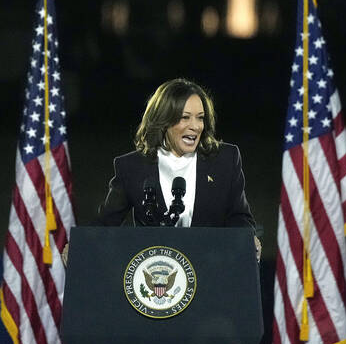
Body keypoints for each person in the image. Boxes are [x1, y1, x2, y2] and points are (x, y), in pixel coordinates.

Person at [97, 78, 256, 233]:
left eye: (200, 118)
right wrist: (76, 245)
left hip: (212, 259)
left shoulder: (225, 160)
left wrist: (249, 239)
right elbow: (104, 225)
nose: (195, 126)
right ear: (163, 120)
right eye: (185, 117)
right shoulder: (131, 167)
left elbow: (240, 218)